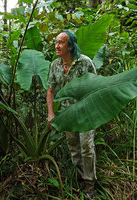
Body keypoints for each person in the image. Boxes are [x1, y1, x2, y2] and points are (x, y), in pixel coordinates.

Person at [46, 30, 97, 199]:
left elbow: (95, 86)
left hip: (85, 112)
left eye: (61, 42)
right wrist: (51, 113)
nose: (57, 46)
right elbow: (51, 91)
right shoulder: (55, 65)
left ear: (70, 45)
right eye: (56, 42)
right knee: (74, 147)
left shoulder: (85, 63)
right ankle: (79, 178)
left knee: (86, 146)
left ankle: (89, 183)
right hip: (68, 113)